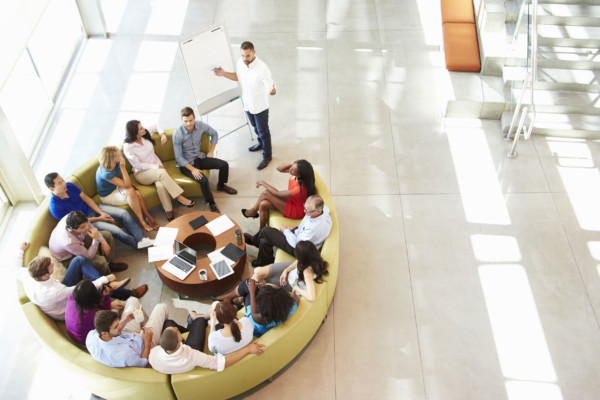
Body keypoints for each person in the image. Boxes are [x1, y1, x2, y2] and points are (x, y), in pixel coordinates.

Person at [20, 244, 133, 321]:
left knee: (78, 260)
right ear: (45, 275)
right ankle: (127, 293)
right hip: (68, 307)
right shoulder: (54, 291)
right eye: (51, 266)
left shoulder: (28, 276)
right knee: (91, 287)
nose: (53, 264)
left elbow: (13, 268)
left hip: (63, 289)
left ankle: (112, 287)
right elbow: (78, 290)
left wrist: (21, 250)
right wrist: (105, 279)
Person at [44, 172, 154, 250]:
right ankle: (137, 245)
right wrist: (99, 218)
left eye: (62, 180)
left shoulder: (69, 186)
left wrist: (100, 212)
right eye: (59, 183)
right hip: (87, 222)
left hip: (94, 208)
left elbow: (86, 198)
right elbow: (77, 224)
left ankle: (142, 240)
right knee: (117, 231)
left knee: (123, 214)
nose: (64, 183)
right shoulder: (55, 208)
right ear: (51, 188)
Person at [214, 41, 276, 170]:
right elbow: (238, 77)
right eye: (243, 55)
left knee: (263, 131)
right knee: (255, 127)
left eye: (247, 56)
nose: (245, 59)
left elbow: (271, 88)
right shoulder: (240, 62)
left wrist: (272, 91)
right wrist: (224, 73)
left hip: (260, 107)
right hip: (247, 104)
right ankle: (260, 143)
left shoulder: (262, 68)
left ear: (253, 52)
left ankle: (267, 155)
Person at [123, 120, 196, 221]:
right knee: (162, 173)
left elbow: (156, 125)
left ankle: (168, 212)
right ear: (134, 133)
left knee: (160, 185)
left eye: (142, 126)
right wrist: (156, 167)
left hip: (156, 168)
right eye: (140, 128)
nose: (143, 128)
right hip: (142, 173)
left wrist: (163, 135)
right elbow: (138, 165)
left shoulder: (144, 133)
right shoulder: (128, 147)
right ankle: (179, 197)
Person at [149, 311, 264, 374]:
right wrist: (248, 349)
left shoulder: (153, 355)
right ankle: (196, 319)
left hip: (174, 360)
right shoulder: (193, 356)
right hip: (188, 355)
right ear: (180, 340)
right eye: (178, 331)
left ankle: (190, 325)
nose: (176, 330)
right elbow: (223, 363)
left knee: (168, 322)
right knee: (200, 321)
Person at [172, 107, 237, 213]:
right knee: (204, 180)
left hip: (200, 157)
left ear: (194, 118)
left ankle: (221, 185)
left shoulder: (200, 125)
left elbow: (214, 133)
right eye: (185, 121)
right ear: (181, 120)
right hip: (187, 164)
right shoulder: (177, 134)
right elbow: (179, 158)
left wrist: (211, 150)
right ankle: (211, 203)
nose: (188, 124)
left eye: (191, 120)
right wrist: (193, 169)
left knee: (224, 164)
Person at [244, 195, 332, 266]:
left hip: (299, 249)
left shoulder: (314, 228)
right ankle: (265, 260)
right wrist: (296, 229)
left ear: (318, 212)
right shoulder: (324, 209)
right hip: (301, 236)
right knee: (265, 239)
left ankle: (254, 241)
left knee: (266, 231)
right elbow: (306, 227)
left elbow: (296, 243)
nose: (305, 212)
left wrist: (285, 231)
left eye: (308, 211)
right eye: (305, 208)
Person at [86, 300, 176, 368]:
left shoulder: (91, 335)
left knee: (133, 300)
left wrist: (124, 321)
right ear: (104, 333)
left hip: (126, 336)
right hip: (144, 345)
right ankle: (159, 330)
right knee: (161, 306)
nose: (119, 326)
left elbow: (114, 331)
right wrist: (147, 341)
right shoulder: (123, 354)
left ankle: (146, 323)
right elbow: (143, 363)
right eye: (116, 326)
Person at [96, 145, 159, 232]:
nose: (121, 155)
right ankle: (142, 221)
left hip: (116, 186)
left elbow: (123, 178)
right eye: (119, 155)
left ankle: (148, 217)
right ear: (112, 159)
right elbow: (127, 185)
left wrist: (124, 180)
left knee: (137, 194)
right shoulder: (106, 173)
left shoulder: (116, 162)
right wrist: (123, 167)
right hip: (108, 194)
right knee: (131, 192)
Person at [242, 159, 316, 230]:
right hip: (292, 200)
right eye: (292, 167)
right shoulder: (296, 175)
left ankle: (253, 211)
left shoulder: (299, 189)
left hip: (296, 210)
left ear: (299, 175)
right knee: (263, 204)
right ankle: (261, 231)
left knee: (266, 193)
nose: (290, 169)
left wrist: (263, 183)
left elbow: (277, 194)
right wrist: (291, 164)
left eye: (293, 169)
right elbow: (279, 169)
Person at [49, 210, 127, 274]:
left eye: (86, 224)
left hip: (78, 241)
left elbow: (92, 228)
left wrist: (103, 242)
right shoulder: (67, 241)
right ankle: (108, 282)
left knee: (107, 235)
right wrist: (95, 240)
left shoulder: (74, 217)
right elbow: (89, 256)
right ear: (73, 229)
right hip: (67, 257)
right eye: (83, 227)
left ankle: (110, 263)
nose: (87, 228)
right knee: (101, 261)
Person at [215, 279, 299, 338]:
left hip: (255, 325)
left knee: (248, 285)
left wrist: (252, 291)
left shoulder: (262, 318)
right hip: (272, 309)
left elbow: (254, 314)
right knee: (252, 285)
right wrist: (265, 287)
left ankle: (230, 299)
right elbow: (292, 295)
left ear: (266, 306)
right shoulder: (292, 304)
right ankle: (234, 300)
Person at [252, 240, 328, 303]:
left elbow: (312, 297)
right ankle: (250, 289)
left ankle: (249, 295)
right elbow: (299, 261)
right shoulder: (312, 256)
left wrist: (296, 288)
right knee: (257, 271)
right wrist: (286, 270)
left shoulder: (307, 273)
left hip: (290, 282)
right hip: (292, 270)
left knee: (258, 274)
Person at [65, 280, 126, 345]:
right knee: (129, 303)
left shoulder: (72, 297)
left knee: (117, 306)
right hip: (86, 341)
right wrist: (106, 297)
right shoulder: (90, 314)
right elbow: (106, 316)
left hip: (73, 335)